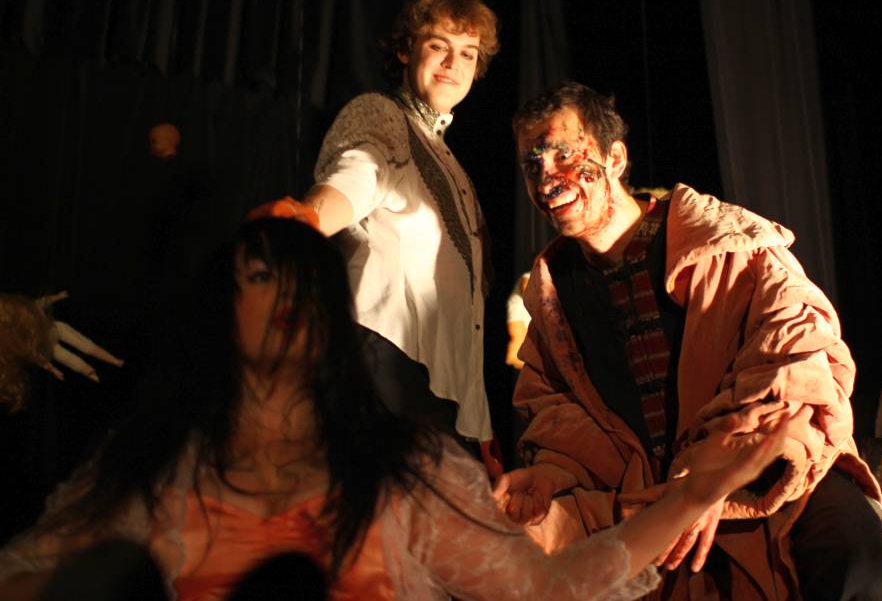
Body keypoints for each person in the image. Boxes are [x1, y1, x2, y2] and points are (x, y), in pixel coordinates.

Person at [0, 217, 790, 600]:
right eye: (263, 275)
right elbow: (26, 573)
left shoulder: (406, 469)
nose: (290, 296)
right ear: (219, 311)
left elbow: (541, 588)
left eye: (311, 283)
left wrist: (691, 494)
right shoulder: (147, 466)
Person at [494, 81, 882, 599]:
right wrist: (550, 476)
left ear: (615, 158)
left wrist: (717, 471)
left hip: (774, 472)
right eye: (532, 164)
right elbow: (557, 417)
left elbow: (800, 356)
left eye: (563, 154)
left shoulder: (727, 243)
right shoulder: (553, 297)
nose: (547, 178)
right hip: (653, 503)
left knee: (869, 574)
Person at [259, 0, 499, 466]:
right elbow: (358, 173)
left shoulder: (454, 167)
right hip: (381, 375)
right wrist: (307, 218)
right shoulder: (383, 116)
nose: (453, 63)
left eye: (467, 54)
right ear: (406, 50)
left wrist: (483, 435)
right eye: (439, 46)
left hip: (443, 410)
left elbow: (465, 317)